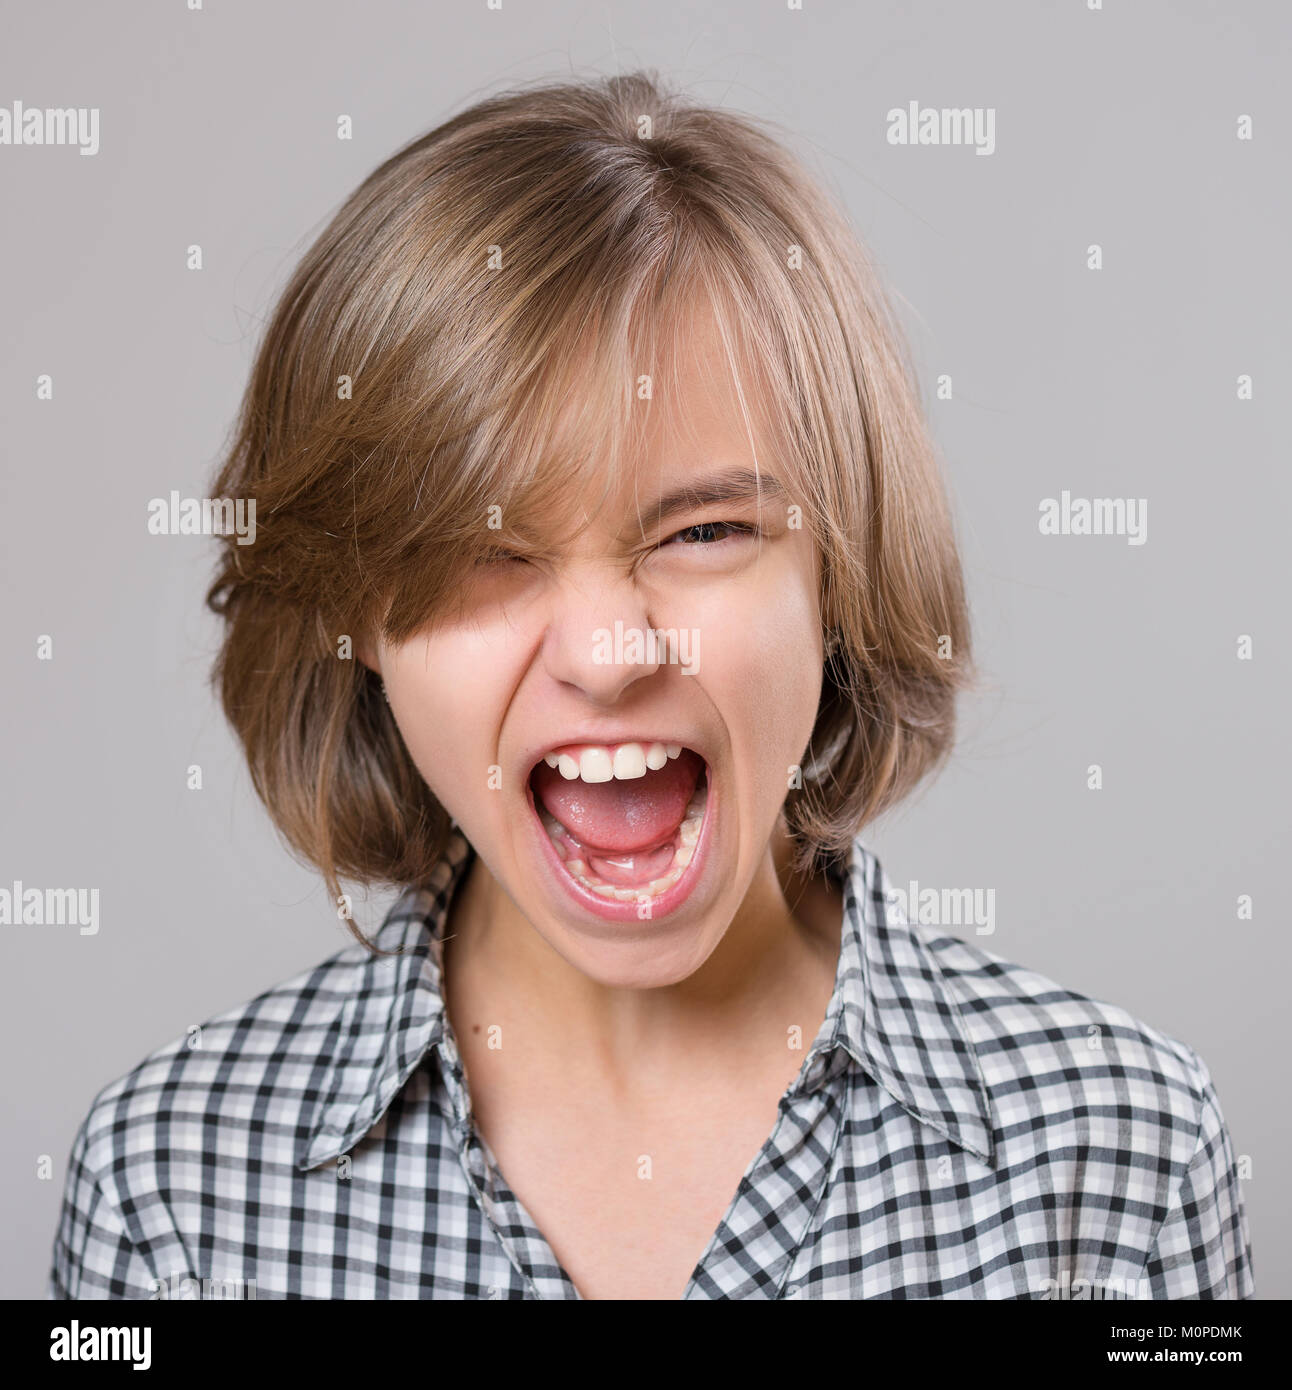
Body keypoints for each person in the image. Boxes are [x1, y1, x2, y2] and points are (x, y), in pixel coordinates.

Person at [50, 70, 1252, 1300]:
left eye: (702, 533)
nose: (609, 654)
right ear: (358, 615)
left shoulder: (1118, 1159)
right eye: (489, 552)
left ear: (835, 574)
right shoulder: (176, 1191)